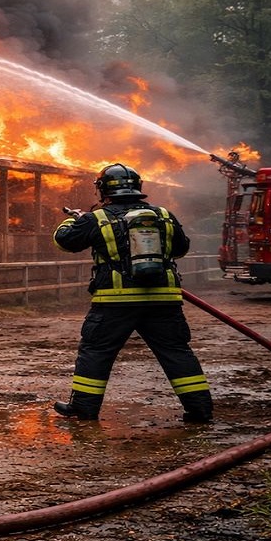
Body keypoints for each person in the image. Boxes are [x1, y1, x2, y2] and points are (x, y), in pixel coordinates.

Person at [52, 163, 213, 423]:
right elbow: (180, 249)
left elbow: (64, 242)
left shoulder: (98, 219)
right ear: (138, 188)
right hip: (163, 300)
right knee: (176, 352)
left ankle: (84, 408)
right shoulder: (163, 215)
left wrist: (75, 219)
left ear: (102, 191)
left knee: (96, 351)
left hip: (115, 301)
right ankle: (200, 410)